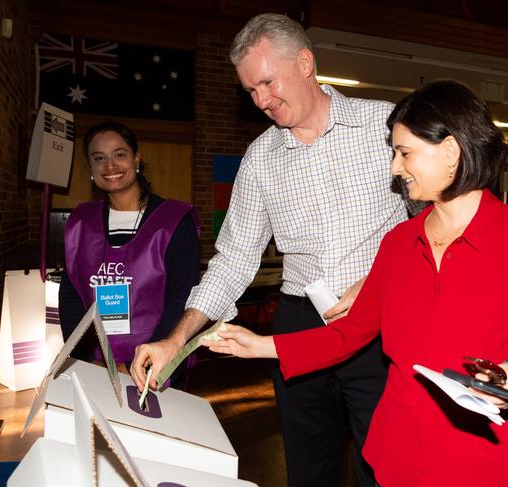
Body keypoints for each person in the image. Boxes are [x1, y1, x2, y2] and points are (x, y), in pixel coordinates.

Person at [202, 80, 508, 486]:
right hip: (397, 455)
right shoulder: (398, 243)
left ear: (450, 151)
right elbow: (348, 334)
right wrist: (260, 346)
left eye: (404, 153)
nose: (395, 167)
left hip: (480, 459)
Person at [131, 13, 420, 487]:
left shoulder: (384, 127)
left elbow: (426, 227)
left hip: (379, 321)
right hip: (299, 322)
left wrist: (379, 280)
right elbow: (233, 261)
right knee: (307, 467)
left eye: (268, 82)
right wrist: (174, 339)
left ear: (305, 62)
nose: (262, 101)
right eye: (251, 91)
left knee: (386, 465)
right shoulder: (261, 158)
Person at [59, 121, 200, 385]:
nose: (110, 166)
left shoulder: (174, 220)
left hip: (159, 361)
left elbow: (183, 294)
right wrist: (86, 359)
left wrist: (144, 360)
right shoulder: (80, 221)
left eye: (119, 154)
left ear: (136, 158)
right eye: (99, 158)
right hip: (98, 364)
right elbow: (71, 293)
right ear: (90, 167)